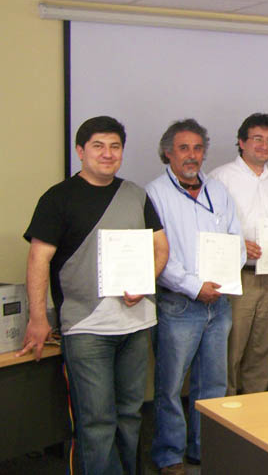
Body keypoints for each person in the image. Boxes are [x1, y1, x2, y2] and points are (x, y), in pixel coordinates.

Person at [19, 116, 168, 475]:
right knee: (96, 422)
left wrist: (145, 280)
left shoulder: (135, 194)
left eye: (115, 146)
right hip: (86, 328)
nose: (107, 153)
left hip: (136, 325)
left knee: (130, 415)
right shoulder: (58, 198)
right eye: (98, 146)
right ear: (80, 151)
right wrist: (38, 318)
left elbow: (160, 248)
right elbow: (38, 258)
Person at [146, 119, 245, 474]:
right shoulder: (155, 193)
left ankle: (204, 450)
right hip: (178, 304)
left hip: (219, 304)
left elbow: (237, 241)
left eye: (198, 148)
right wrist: (193, 286)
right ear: (168, 153)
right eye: (183, 148)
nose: (192, 155)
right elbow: (159, 255)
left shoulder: (217, 191)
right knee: (170, 386)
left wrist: (224, 278)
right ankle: (169, 455)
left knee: (213, 384)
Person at [209, 113, 268, 395]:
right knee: (232, 349)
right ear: (241, 142)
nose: (264, 146)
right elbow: (209, 229)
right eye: (257, 139)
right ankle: (226, 410)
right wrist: (240, 244)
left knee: (262, 349)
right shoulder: (220, 178)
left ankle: (256, 409)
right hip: (235, 276)